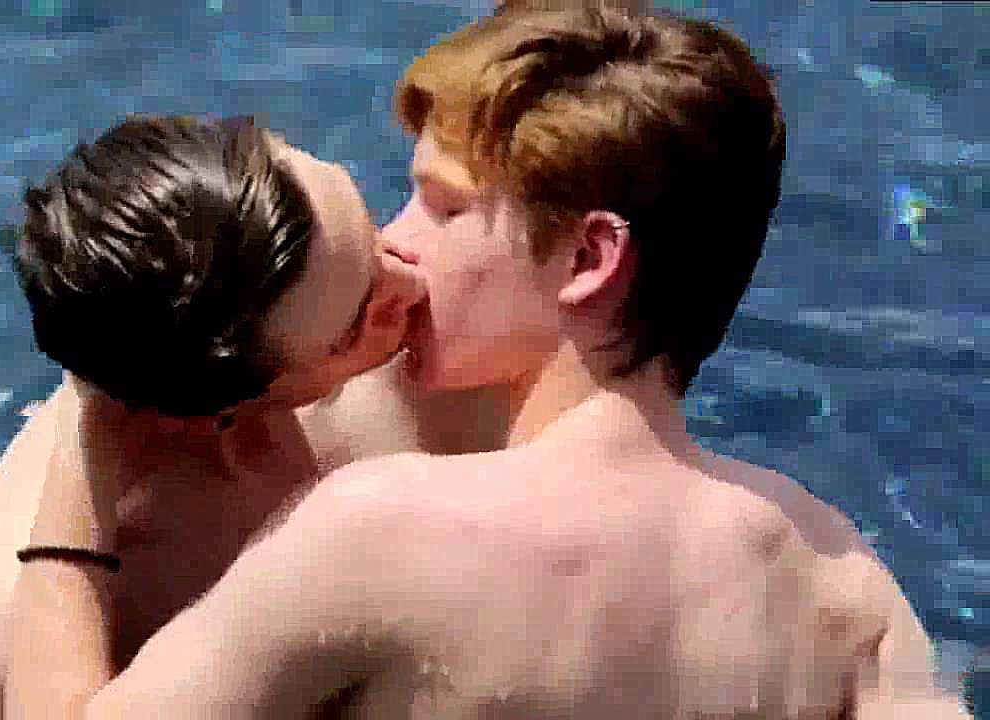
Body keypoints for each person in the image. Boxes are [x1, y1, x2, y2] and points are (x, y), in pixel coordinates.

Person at [65, 7, 968, 718]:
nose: (395, 242)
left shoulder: (381, 530)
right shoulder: (845, 591)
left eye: (443, 208)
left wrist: (80, 482)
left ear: (589, 259)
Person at [0, 113, 427, 717]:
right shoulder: (20, 607)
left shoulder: (276, 343)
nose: (413, 281)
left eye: (369, 226)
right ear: (207, 415)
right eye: (356, 324)